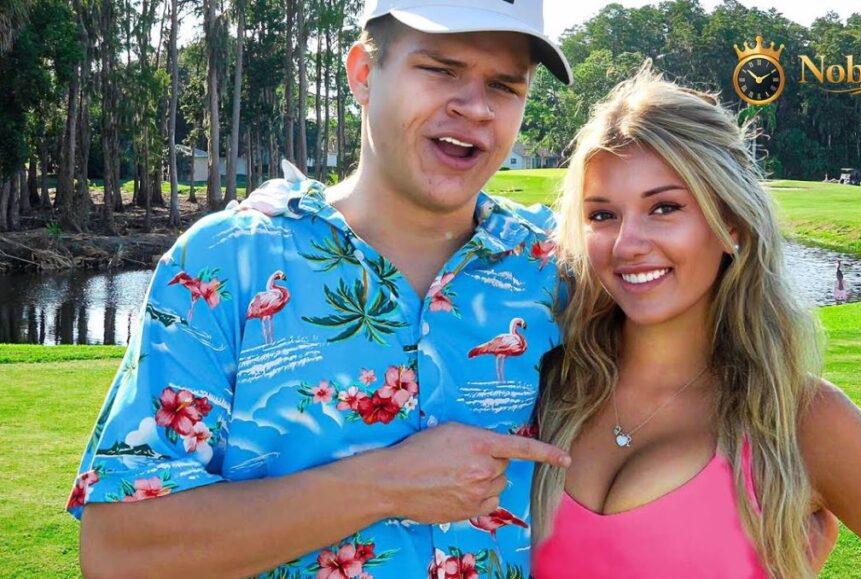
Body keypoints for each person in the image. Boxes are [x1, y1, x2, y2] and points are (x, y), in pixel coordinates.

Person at [67, 1, 576, 577]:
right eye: (441, 70)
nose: (477, 107)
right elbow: (119, 554)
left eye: (504, 86)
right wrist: (386, 484)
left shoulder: (559, 267)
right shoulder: (227, 262)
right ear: (363, 74)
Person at [530, 65, 861, 578]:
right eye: (602, 215)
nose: (627, 245)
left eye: (664, 207)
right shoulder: (542, 386)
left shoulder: (802, 420)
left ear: (731, 223)